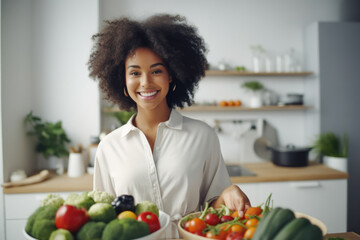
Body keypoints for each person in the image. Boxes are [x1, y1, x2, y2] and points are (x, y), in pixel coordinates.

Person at [88, 14, 251, 238]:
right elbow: (104, 217)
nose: (146, 82)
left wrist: (229, 192)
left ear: (171, 75)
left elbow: (214, 209)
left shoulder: (203, 136)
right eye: (135, 73)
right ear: (122, 82)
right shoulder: (109, 147)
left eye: (156, 71)